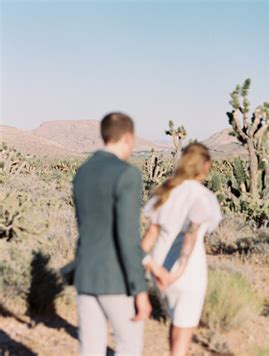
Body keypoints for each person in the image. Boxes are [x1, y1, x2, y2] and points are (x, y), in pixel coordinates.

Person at [72, 112, 151, 355]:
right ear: (128, 137)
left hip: (85, 274)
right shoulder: (126, 174)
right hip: (116, 280)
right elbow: (127, 237)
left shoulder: (82, 172)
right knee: (128, 346)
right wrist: (139, 288)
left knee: (91, 349)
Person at [141, 143, 222, 356]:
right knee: (183, 333)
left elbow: (149, 236)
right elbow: (191, 234)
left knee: (176, 323)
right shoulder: (203, 197)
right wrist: (178, 270)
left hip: (159, 272)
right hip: (186, 273)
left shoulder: (165, 192)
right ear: (206, 166)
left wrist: (147, 265)